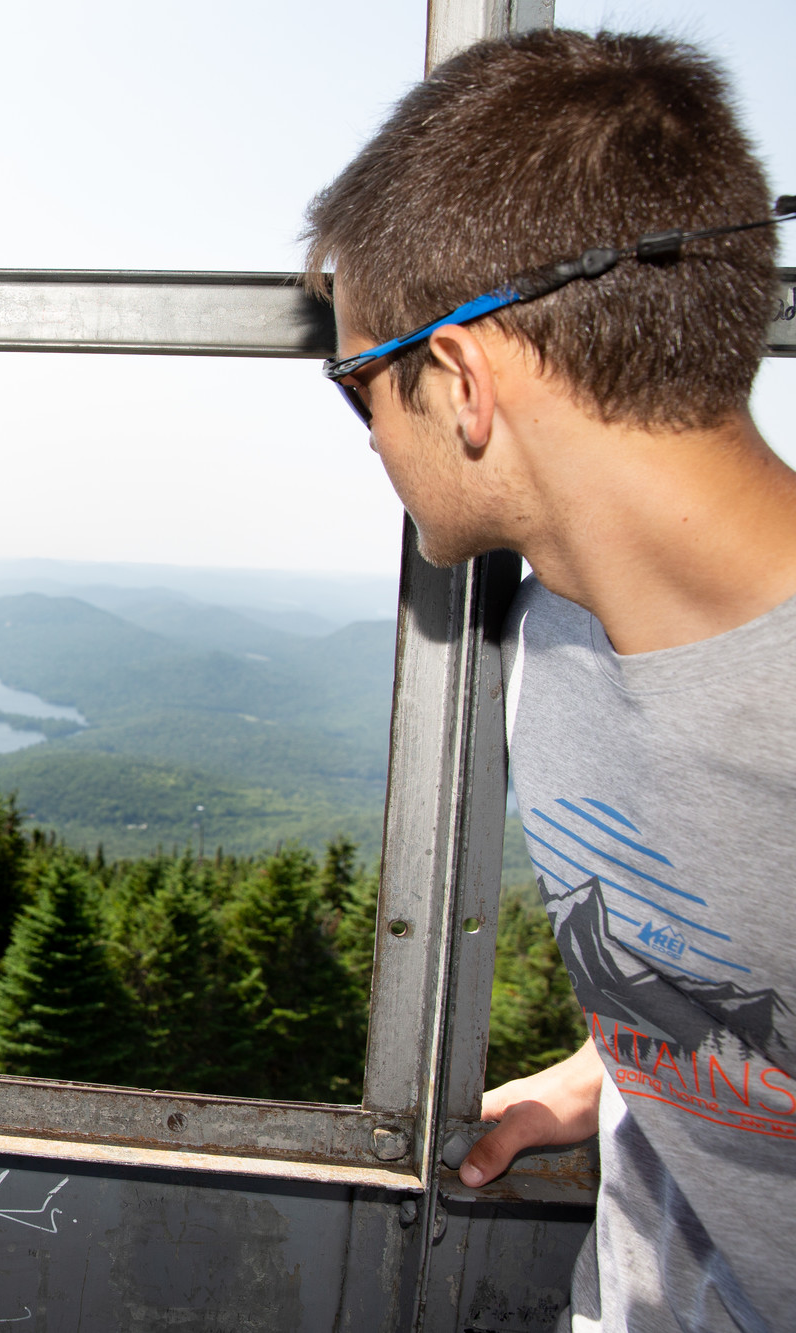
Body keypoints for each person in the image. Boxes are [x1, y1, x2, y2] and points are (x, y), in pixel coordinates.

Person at [305, 29, 795, 1333]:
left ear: (460, 379)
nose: (367, 435)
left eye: (360, 385)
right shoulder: (563, 628)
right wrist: (610, 1070)